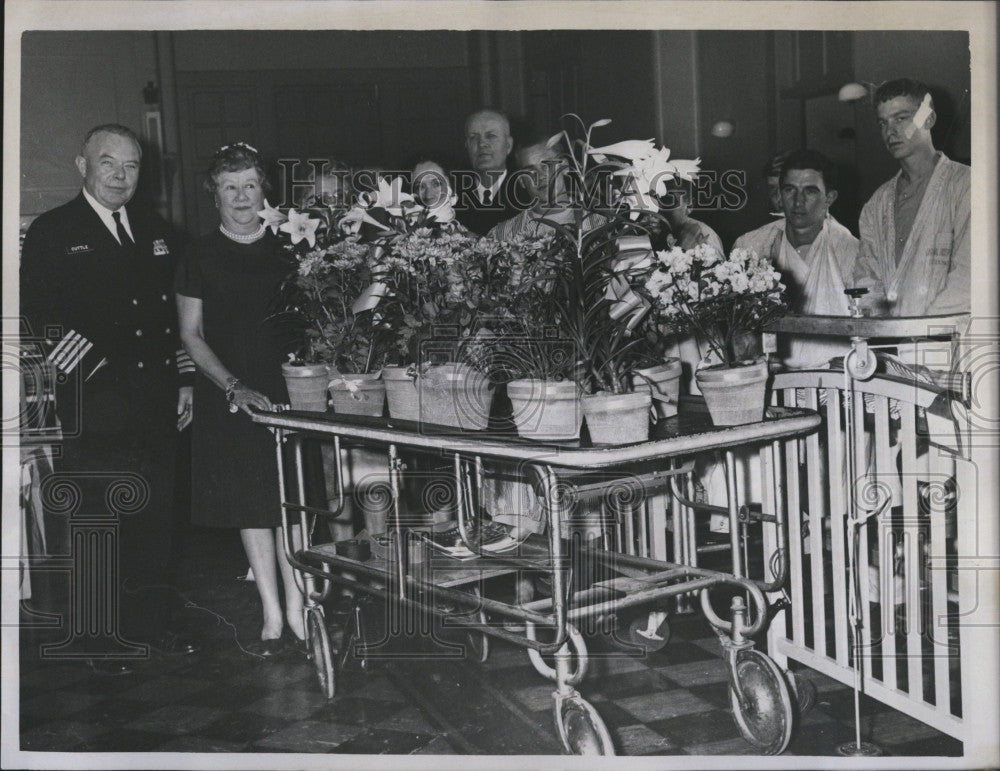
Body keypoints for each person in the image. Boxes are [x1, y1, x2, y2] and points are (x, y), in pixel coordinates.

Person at [20, 123, 197, 674]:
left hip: (158, 396)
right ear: (83, 165)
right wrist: (96, 377)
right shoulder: (53, 231)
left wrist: (185, 379)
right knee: (98, 520)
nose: (121, 177)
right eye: (108, 164)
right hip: (95, 400)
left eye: (132, 166)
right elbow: (39, 318)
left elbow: (178, 317)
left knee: (155, 517)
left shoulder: (157, 229)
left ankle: (149, 625)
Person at [175, 142, 305, 657]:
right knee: (254, 503)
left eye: (250, 184)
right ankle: (272, 611)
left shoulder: (291, 246)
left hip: (291, 386)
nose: (242, 195)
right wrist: (233, 386)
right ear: (214, 195)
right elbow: (191, 333)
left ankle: (299, 607)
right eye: (230, 187)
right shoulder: (198, 255)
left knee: (294, 502)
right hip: (232, 390)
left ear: (264, 190)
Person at [734, 149, 860, 370]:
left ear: (829, 198)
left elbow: (866, 329)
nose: (798, 201)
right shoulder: (752, 246)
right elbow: (739, 330)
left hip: (837, 379)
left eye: (810, 191)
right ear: (780, 195)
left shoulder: (851, 251)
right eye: (790, 190)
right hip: (773, 378)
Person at [854, 78, 970, 317]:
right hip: (891, 345)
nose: (891, 131)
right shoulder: (877, 204)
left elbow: (968, 279)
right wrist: (887, 334)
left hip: (949, 344)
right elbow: (866, 279)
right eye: (883, 123)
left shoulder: (966, 185)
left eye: (901, 118)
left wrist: (919, 336)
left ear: (929, 119)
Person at [455, 109, 520, 235]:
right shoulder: (453, 196)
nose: (482, 143)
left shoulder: (526, 193)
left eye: (491, 136)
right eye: (473, 138)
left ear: (508, 145)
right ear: (467, 146)